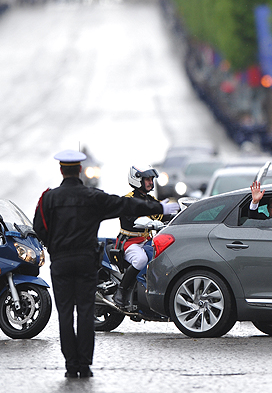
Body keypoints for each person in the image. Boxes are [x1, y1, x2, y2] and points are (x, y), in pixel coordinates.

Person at [33, 150, 180, 379]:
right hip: (85, 262)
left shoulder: (48, 199)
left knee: (64, 315)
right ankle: (85, 365)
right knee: (85, 312)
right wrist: (160, 209)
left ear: (61, 170)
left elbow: (40, 229)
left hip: (61, 262)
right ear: (80, 170)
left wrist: (55, 248)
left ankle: (71, 365)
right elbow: (126, 205)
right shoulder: (93, 197)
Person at [114, 165, 173, 309]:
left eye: (151, 179)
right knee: (141, 260)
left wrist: (182, 215)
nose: (151, 182)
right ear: (137, 179)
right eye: (147, 179)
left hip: (146, 241)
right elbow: (132, 219)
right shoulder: (128, 199)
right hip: (129, 242)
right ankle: (121, 291)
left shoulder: (151, 200)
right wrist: (151, 223)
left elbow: (164, 215)